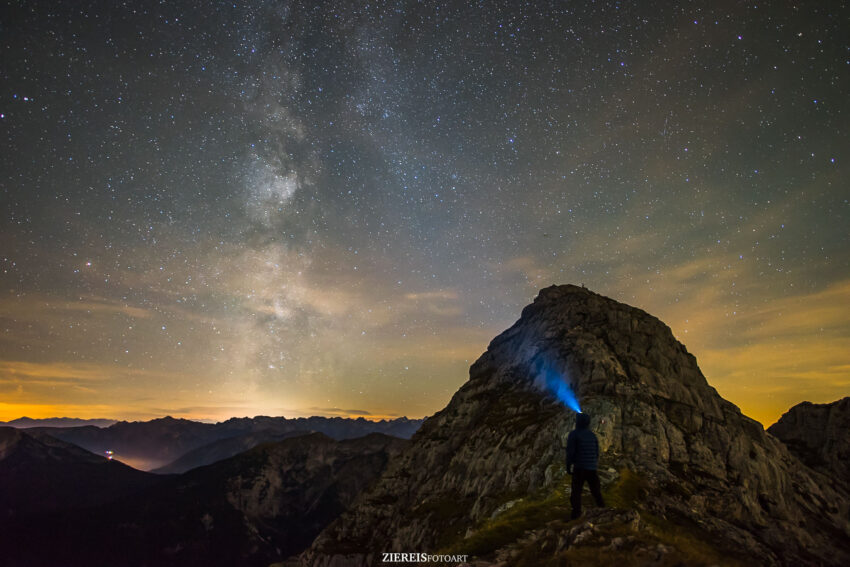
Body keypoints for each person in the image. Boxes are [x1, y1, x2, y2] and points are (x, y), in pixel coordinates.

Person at [566, 412, 604, 519]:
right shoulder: (592, 435)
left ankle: (576, 515)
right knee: (596, 492)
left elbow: (570, 452)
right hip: (592, 468)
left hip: (579, 468)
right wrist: (593, 464)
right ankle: (604, 511)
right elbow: (596, 453)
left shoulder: (574, 434)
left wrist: (568, 466)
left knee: (576, 492)